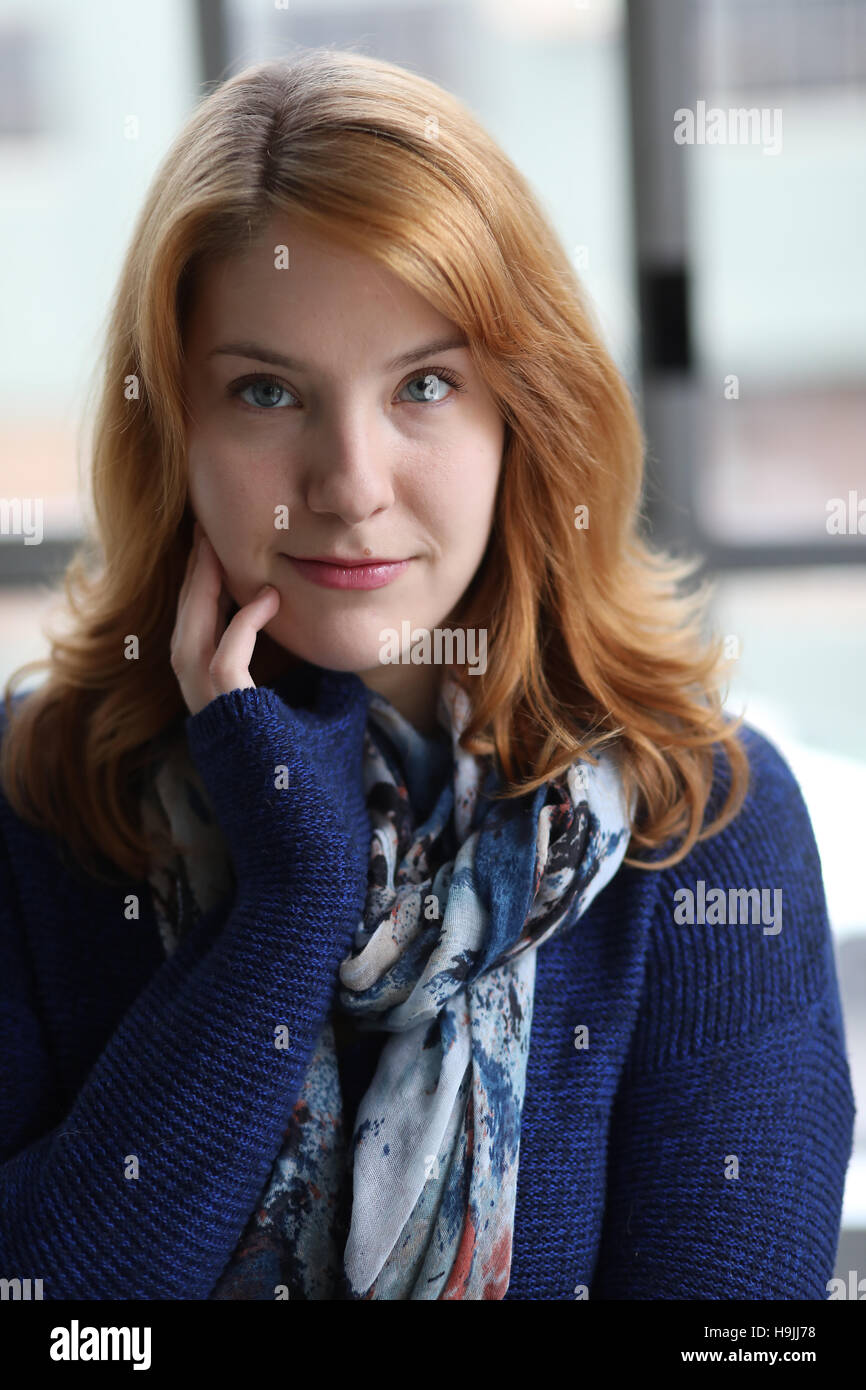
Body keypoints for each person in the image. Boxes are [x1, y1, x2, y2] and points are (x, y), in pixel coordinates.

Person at [0, 48, 855, 1301]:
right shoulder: (40, 795)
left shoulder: (705, 822)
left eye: (424, 384)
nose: (349, 482)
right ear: (173, 428)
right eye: (265, 390)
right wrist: (288, 901)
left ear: (524, 409)